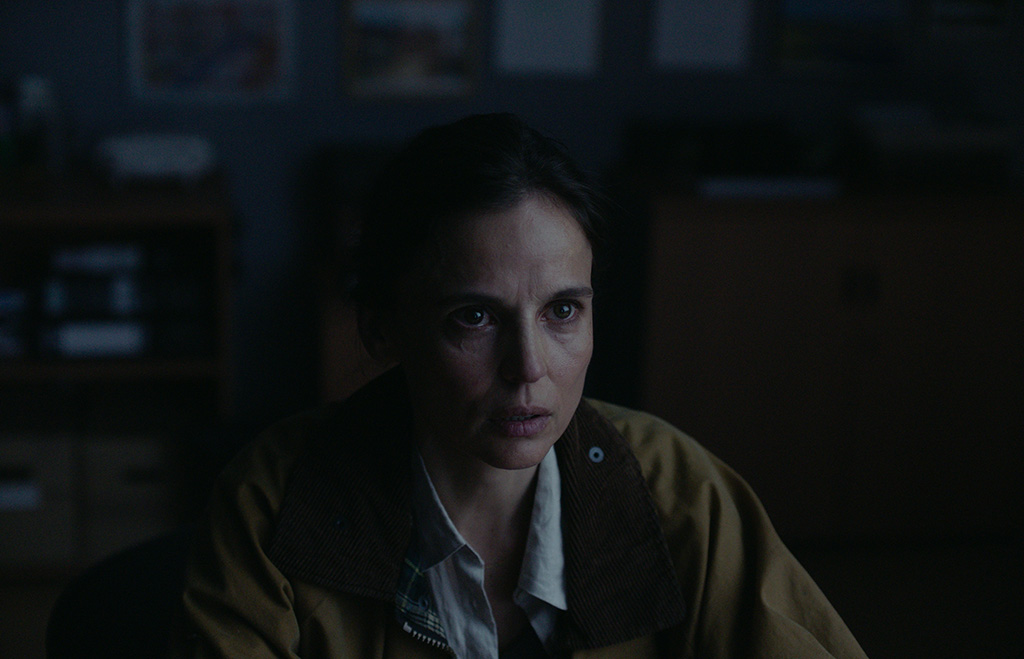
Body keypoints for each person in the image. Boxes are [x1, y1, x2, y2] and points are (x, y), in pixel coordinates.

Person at [174, 113, 867, 658]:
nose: (529, 367)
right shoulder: (273, 506)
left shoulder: (680, 494)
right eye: (474, 317)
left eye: (562, 311)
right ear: (383, 328)